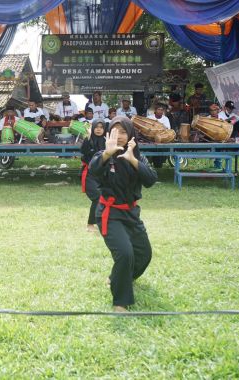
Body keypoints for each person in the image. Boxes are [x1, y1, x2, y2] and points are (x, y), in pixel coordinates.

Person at [88, 116, 157, 312]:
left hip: (131, 213)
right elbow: (93, 170)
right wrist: (107, 154)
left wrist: (133, 160)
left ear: (131, 134)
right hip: (109, 214)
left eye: (124, 132)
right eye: (116, 131)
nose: (120, 136)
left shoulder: (137, 156)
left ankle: (119, 277)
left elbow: (151, 179)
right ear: (110, 133)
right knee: (125, 254)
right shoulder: (104, 154)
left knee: (144, 254)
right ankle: (121, 302)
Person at [80, 119, 106, 232]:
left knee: (106, 198)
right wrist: (89, 137)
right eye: (96, 127)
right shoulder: (88, 140)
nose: (99, 129)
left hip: (103, 175)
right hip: (90, 175)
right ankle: (90, 224)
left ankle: (104, 222)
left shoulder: (106, 141)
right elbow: (84, 151)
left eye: (101, 127)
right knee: (97, 197)